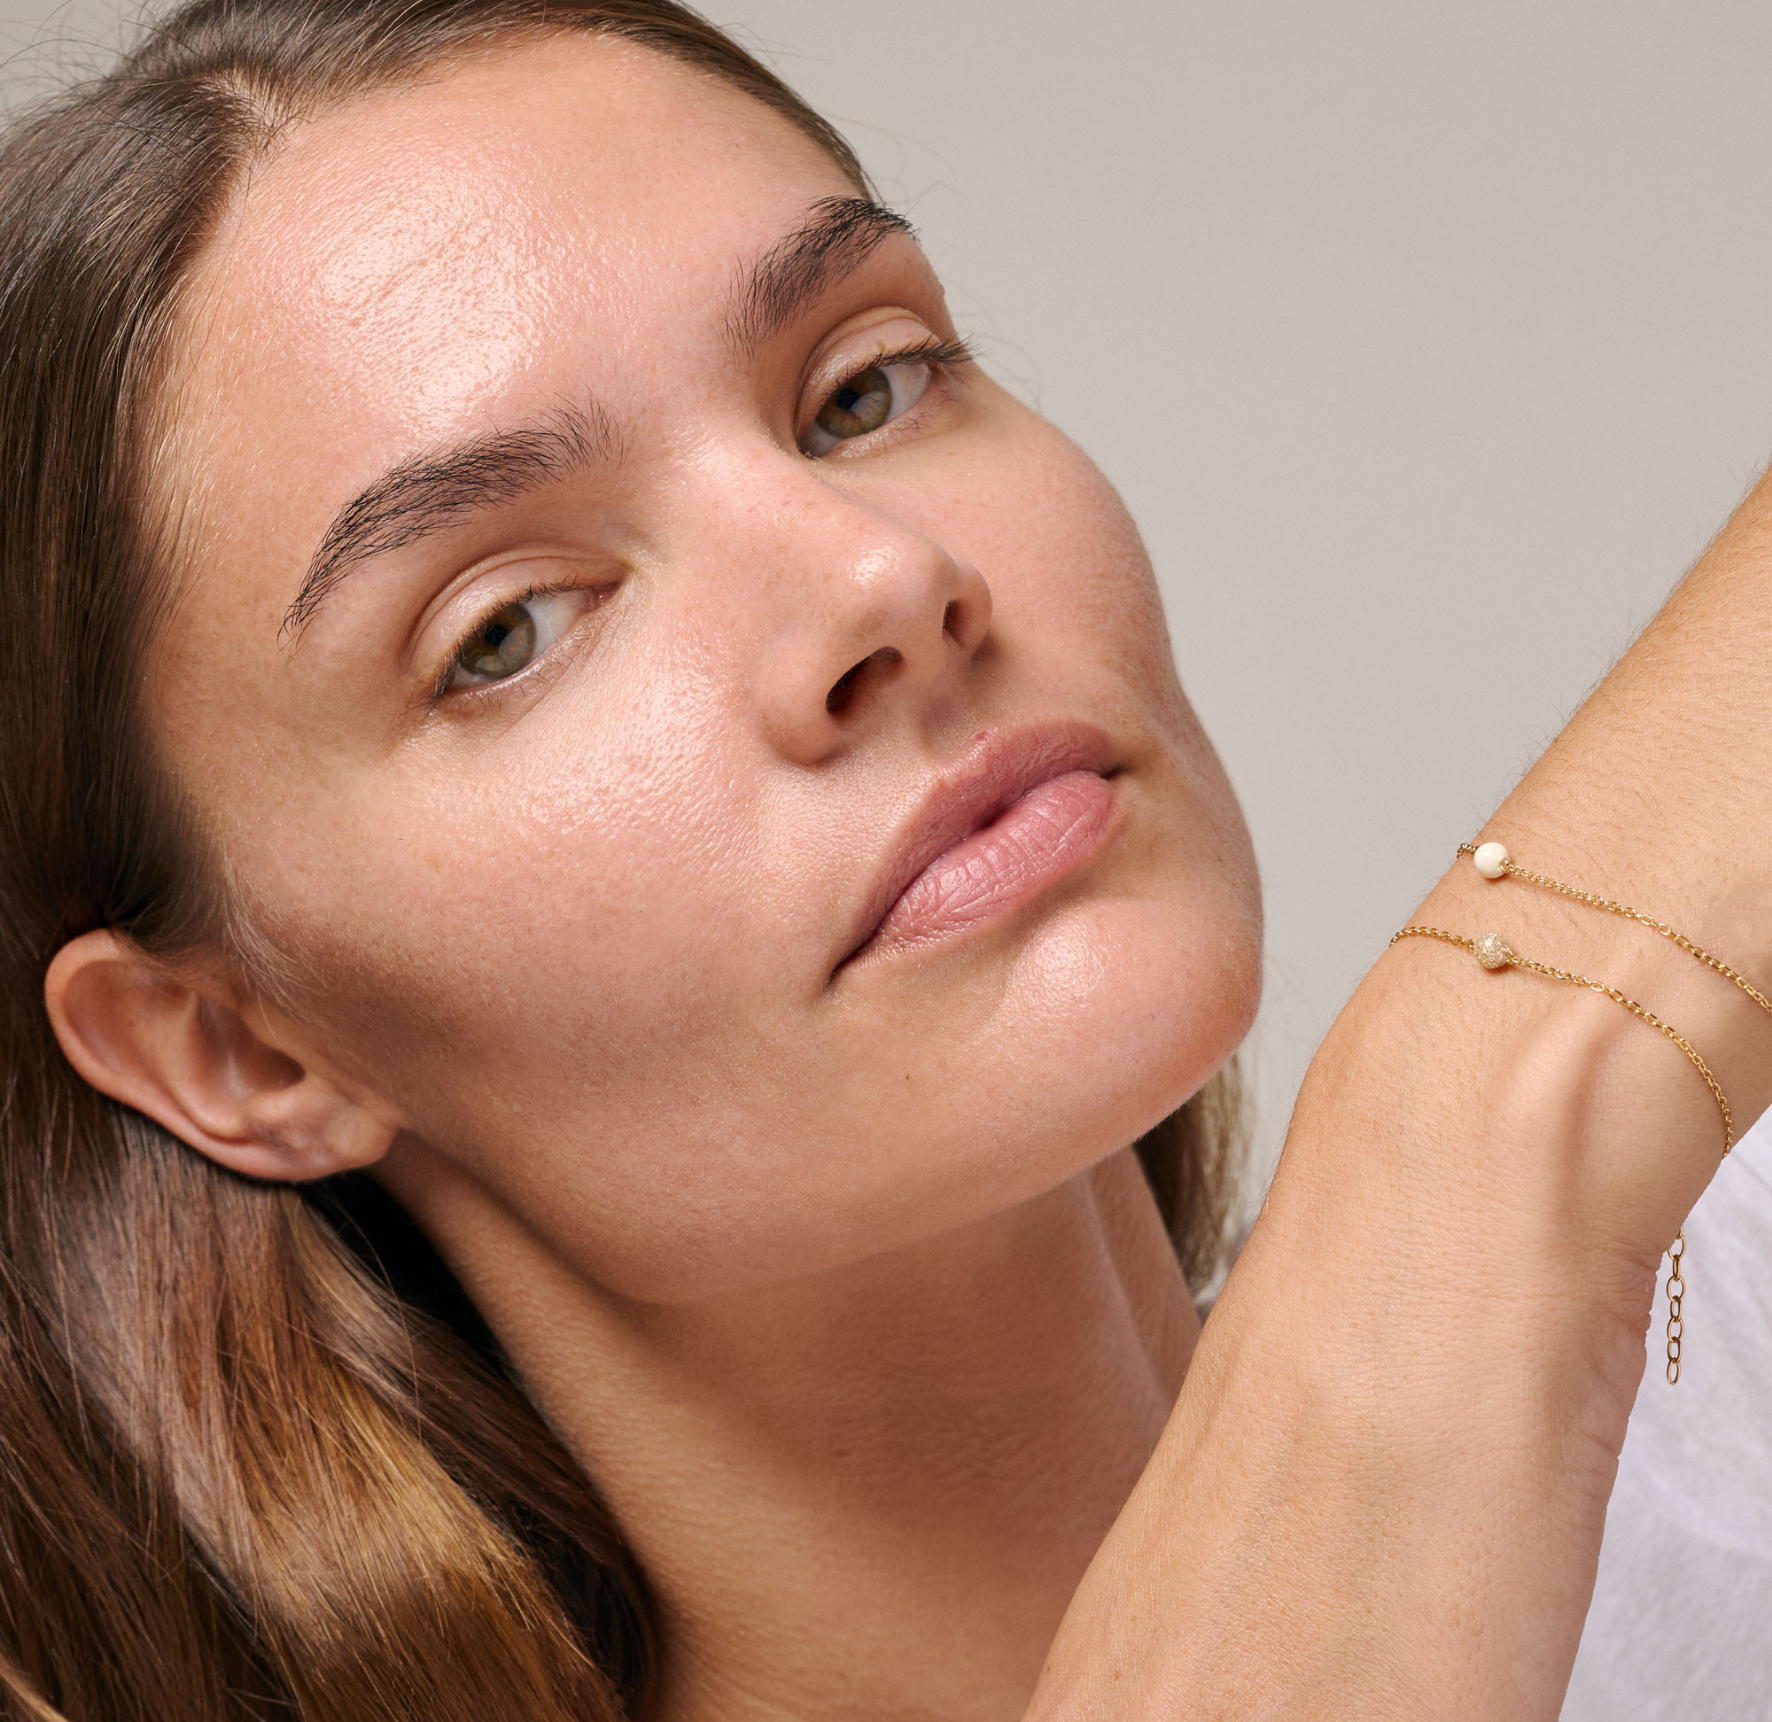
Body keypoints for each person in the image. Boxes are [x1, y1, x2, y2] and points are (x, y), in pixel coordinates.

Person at [1, 4, 1766, 1719]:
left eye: (862, 390)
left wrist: (1465, 1118)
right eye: (513, 626)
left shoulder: (1686, 1327)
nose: (877, 577)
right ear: (240, 1049)